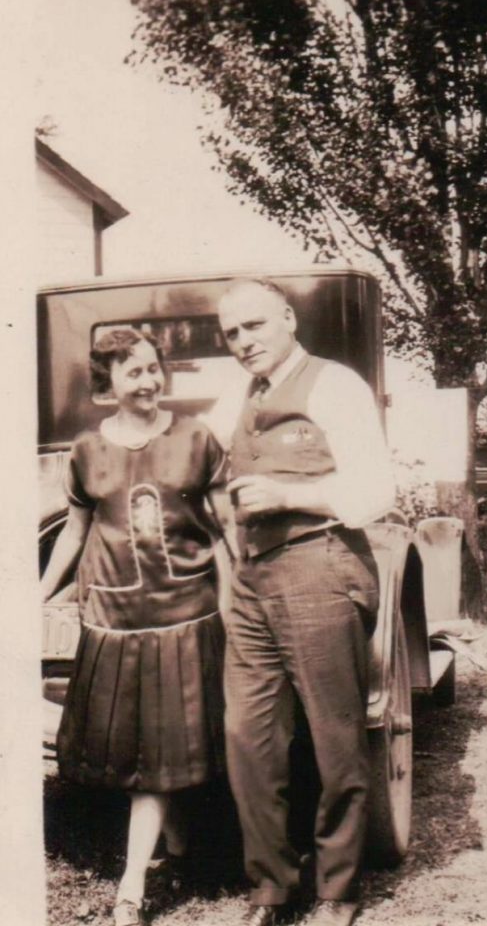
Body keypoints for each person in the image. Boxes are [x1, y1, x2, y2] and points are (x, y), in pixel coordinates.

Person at [217, 278, 396, 926]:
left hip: (320, 565)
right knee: (248, 737)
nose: (243, 342)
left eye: (254, 326)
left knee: (335, 738)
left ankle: (337, 891)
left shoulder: (334, 384)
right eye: (232, 333)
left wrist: (290, 496)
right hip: (252, 579)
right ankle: (270, 888)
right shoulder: (239, 396)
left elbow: (377, 489)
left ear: (288, 319)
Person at [41, 328, 228, 926]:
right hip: (115, 622)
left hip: (186, 616)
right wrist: (35, 595)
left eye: (153, 369)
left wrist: (236, 600)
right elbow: (75, 530)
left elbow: (224, 530)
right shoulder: (86, 451)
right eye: (133, 374)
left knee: (158, 753)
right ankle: (178, 848)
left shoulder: (196, 439)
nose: (148, 382)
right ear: (107, 386)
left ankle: (130, 888)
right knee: (145, 750)